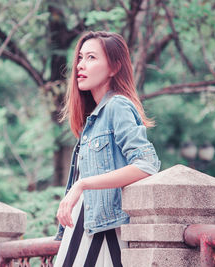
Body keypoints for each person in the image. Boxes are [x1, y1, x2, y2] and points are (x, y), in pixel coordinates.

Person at [54, 31, 161, 267]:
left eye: (91, 57)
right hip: (87, 225)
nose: (81, 65)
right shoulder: (93, 118)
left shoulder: (117, 106)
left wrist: (82, 184)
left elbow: (146, 164)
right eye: (80, 58)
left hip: (102, 228)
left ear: (114, 67)